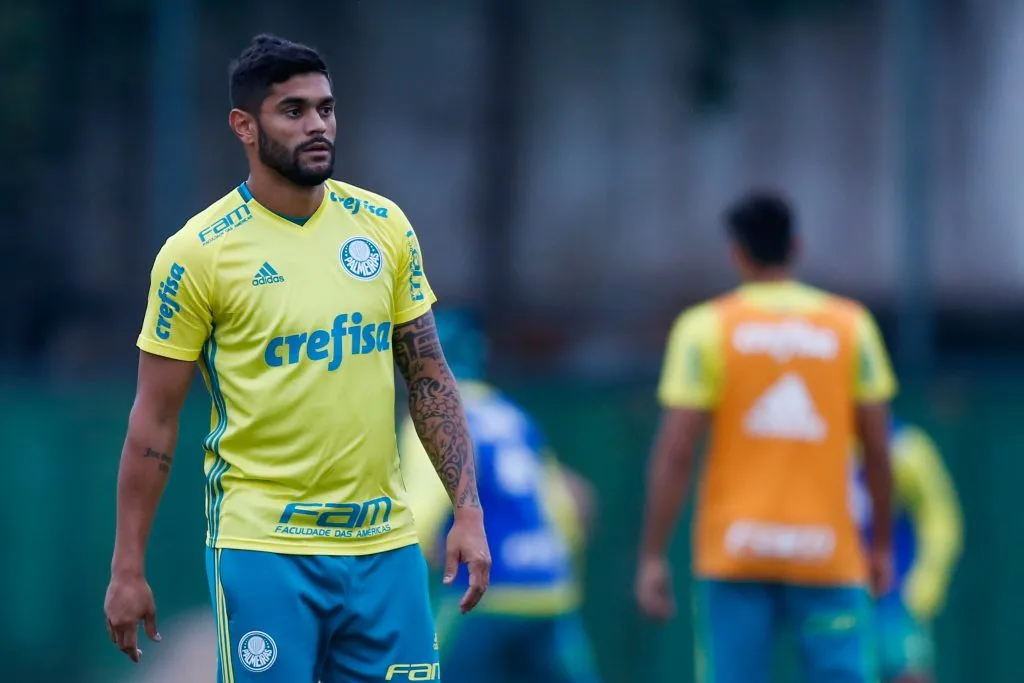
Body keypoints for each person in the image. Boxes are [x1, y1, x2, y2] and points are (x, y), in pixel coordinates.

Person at [103, 34, 491, 683]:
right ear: (245, 126)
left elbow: (428, 374)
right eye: (294, 110)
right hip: (265, 550)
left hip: (384, 548)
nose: (317, 124)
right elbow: (154, 421)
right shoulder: (197, 252)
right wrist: (127, 566)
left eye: (325, 108)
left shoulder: (384, 226)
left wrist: (468, 509)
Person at [635, 190, 897, 683]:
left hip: (736, 552)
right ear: (796, 246)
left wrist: (652, 555)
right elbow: (879, 450)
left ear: (736, 252)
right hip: (827, 555)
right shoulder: (851, 326)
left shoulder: (706, 327)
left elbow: (676, 449)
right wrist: (880, 545)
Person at [399, 309, 603, 683]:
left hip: (483, 599)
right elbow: (569, 506)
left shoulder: (435, 412)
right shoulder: (511, 414)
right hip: (548, 591)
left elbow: (419, 513)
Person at [852, 418, 963, 683]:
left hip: (898, 597)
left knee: (910, 674)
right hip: (846, 596)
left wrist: (925, 582)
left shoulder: (906, 448)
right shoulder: (829, 444)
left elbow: (940, 518)